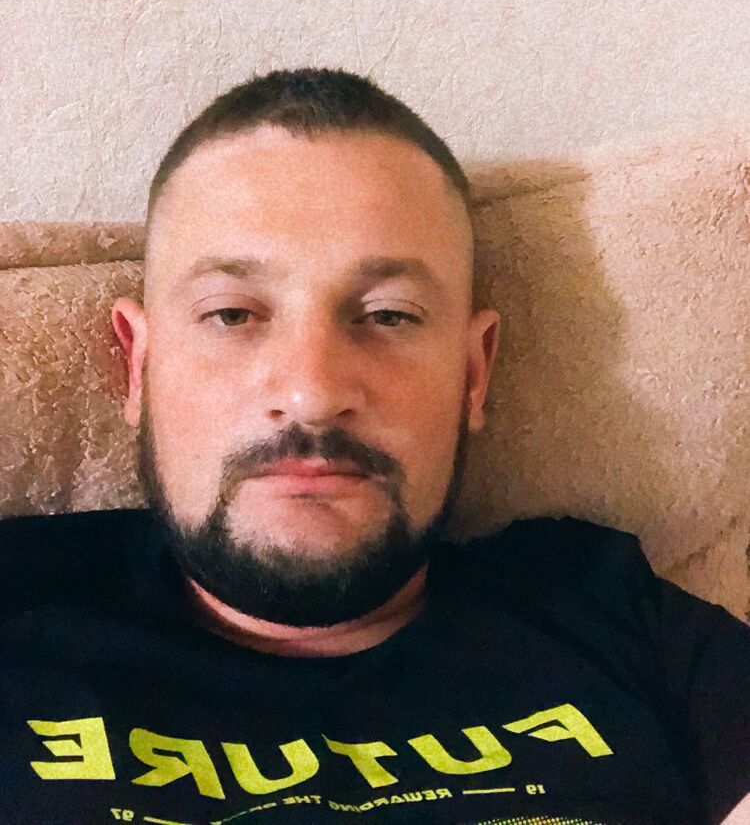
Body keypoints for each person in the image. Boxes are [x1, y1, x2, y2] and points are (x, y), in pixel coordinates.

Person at [0, 68, 748, 825]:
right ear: (138, 366)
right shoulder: (21, 608)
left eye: (389, 316)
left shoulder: (615, 617)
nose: (313, 392)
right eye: (232, 314)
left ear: (474, 373)